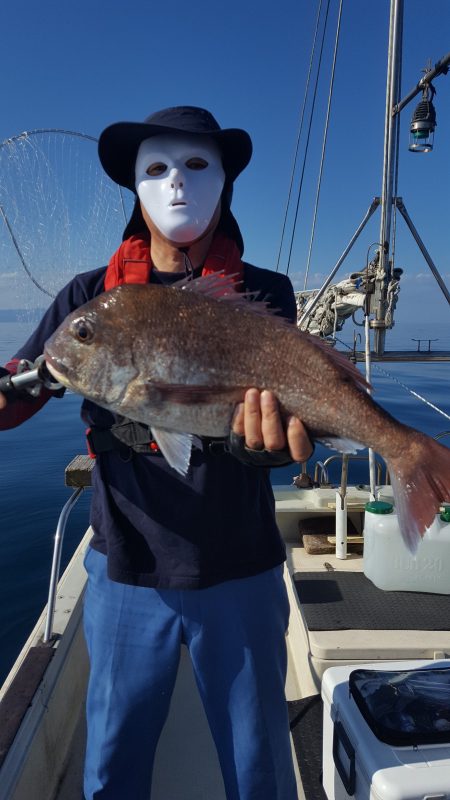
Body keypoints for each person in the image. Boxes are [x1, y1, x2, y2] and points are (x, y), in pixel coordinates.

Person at [0, 106, 312, 799]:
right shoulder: (89, 299)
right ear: (135, 189)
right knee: (112, 768)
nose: (177, 184)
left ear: (226, 181)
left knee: (258, 768)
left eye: (198, 165)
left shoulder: (265, 294)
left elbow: (289, 426)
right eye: (157, 168)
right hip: (124, 569)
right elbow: (15, 397)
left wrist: (272, 447)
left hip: (241, 568)